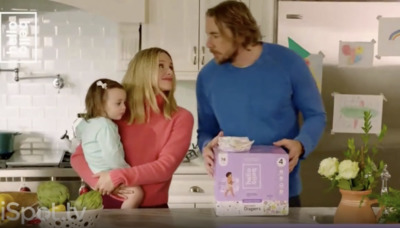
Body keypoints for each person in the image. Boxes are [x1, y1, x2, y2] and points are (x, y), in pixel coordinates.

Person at [196, 1, 326, 207]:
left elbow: (316, 115)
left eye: (215, 35)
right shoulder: (207, 77)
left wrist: (301, 144)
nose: (208, 44)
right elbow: (205, 131)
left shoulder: (289, 63)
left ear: (238, 33)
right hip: (232, 194)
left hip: (284, 192)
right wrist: (206, 147)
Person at [71, 47, 194, 208]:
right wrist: (99, 183)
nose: (169, 71)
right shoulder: (118, 111)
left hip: (152, 211)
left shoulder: (181, 117)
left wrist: (117, 177)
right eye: (161, 66)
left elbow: (165, 168)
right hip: (104, 203)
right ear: (142, 70)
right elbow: (78, 156)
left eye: (171, 66)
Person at [76, 78, 143, 209]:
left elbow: (78, 138)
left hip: (95, 173)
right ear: (100, 104)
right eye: (118, 103)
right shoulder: (106, 125)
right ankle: (124, 223)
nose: (124, 107)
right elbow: (112, 155)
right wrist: (127, 171)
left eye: (125, 102)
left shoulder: (85, 122)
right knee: (136, 193)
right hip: (109, 172)